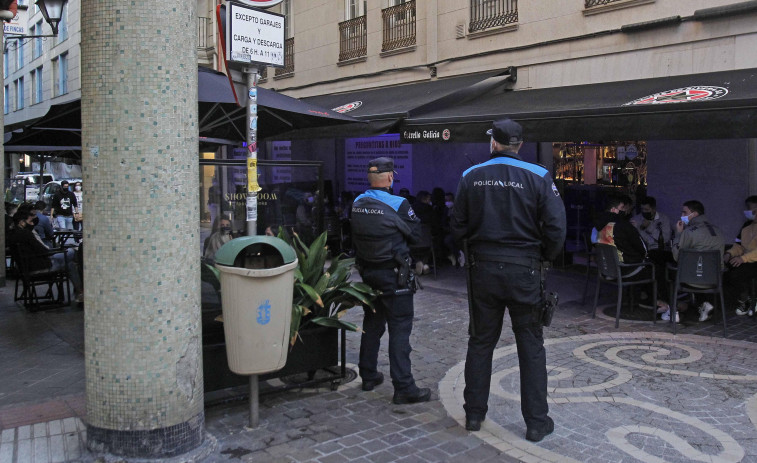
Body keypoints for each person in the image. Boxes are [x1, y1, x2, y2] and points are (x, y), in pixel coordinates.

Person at [450, 119, 566, 441]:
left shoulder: (470, 176)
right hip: (525, 270)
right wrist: (545, 257)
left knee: (481, 341)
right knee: (530, 346)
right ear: (520, 145)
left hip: (483, 269)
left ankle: (474, 414)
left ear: (493, 143)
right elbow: (557, 227)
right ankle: (536, 423)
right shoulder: (539, 176)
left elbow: (456, 225)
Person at [350, 156, 430, 405]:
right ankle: (404, 386)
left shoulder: (357, 202)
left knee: (372, 324)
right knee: (400, 329)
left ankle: (368, 375)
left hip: (368, 274)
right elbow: (417, 236)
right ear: (390, 177)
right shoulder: (400, 203)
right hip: (395, 276)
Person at [8, 209, 83, 302]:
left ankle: (79, 292)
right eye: (30, 221)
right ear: (22, 222)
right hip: (38, 267)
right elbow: (43, 250)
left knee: (70, 259)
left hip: (25, 268)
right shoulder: (27, 234)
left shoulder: (12, 234)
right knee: (71, 262)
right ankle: (80, 291)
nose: (32, 224)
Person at [670, 200, 725, 321]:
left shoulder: (689, 232)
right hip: (715, 278)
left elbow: (677, 256)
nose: (682, 215)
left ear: (694, 214)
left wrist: (678, 234)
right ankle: (703, 303)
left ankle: (672, 309)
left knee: (669, 273)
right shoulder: (718, 230)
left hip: (692, 279)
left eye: (684, 212)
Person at [630, 196, 673, 306]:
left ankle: (656, 297)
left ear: (653, 209)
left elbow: (665, 239)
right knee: (656, 266)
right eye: (642, 209)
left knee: (657, 262)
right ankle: (660, 298)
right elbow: (639, 239)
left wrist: (648, 228)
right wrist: (641, 230)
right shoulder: (637, 219)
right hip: (644, 251)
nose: (644, 212)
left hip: (660, 250)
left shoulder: (663, 219)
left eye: (647, 210)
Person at [724, 195, 757, 316]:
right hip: (746, 260)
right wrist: (729, 253)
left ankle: (747, 299)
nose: (749, 212)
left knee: (738, 273)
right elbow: (739, 246)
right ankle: (745, 299)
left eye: (751, 209)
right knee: (727, 271)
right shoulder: (746, 228)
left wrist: (743, 258)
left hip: (752, 261)